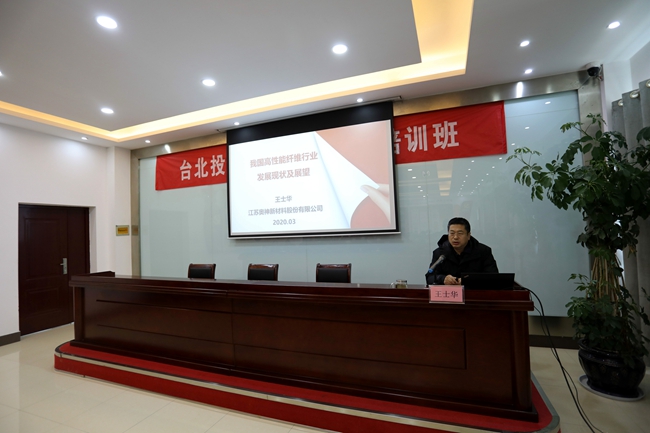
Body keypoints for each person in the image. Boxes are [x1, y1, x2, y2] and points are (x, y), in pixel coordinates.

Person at [425, 217, 498, 285]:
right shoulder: (440, 253)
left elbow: (493, 277)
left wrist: (468, 281)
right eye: (452, 233)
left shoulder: (483, 251)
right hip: (449, 293)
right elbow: (429, 277)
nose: (455, 237)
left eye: (460, 233)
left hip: (473, 292)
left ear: (468, 235)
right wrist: (443, 279)